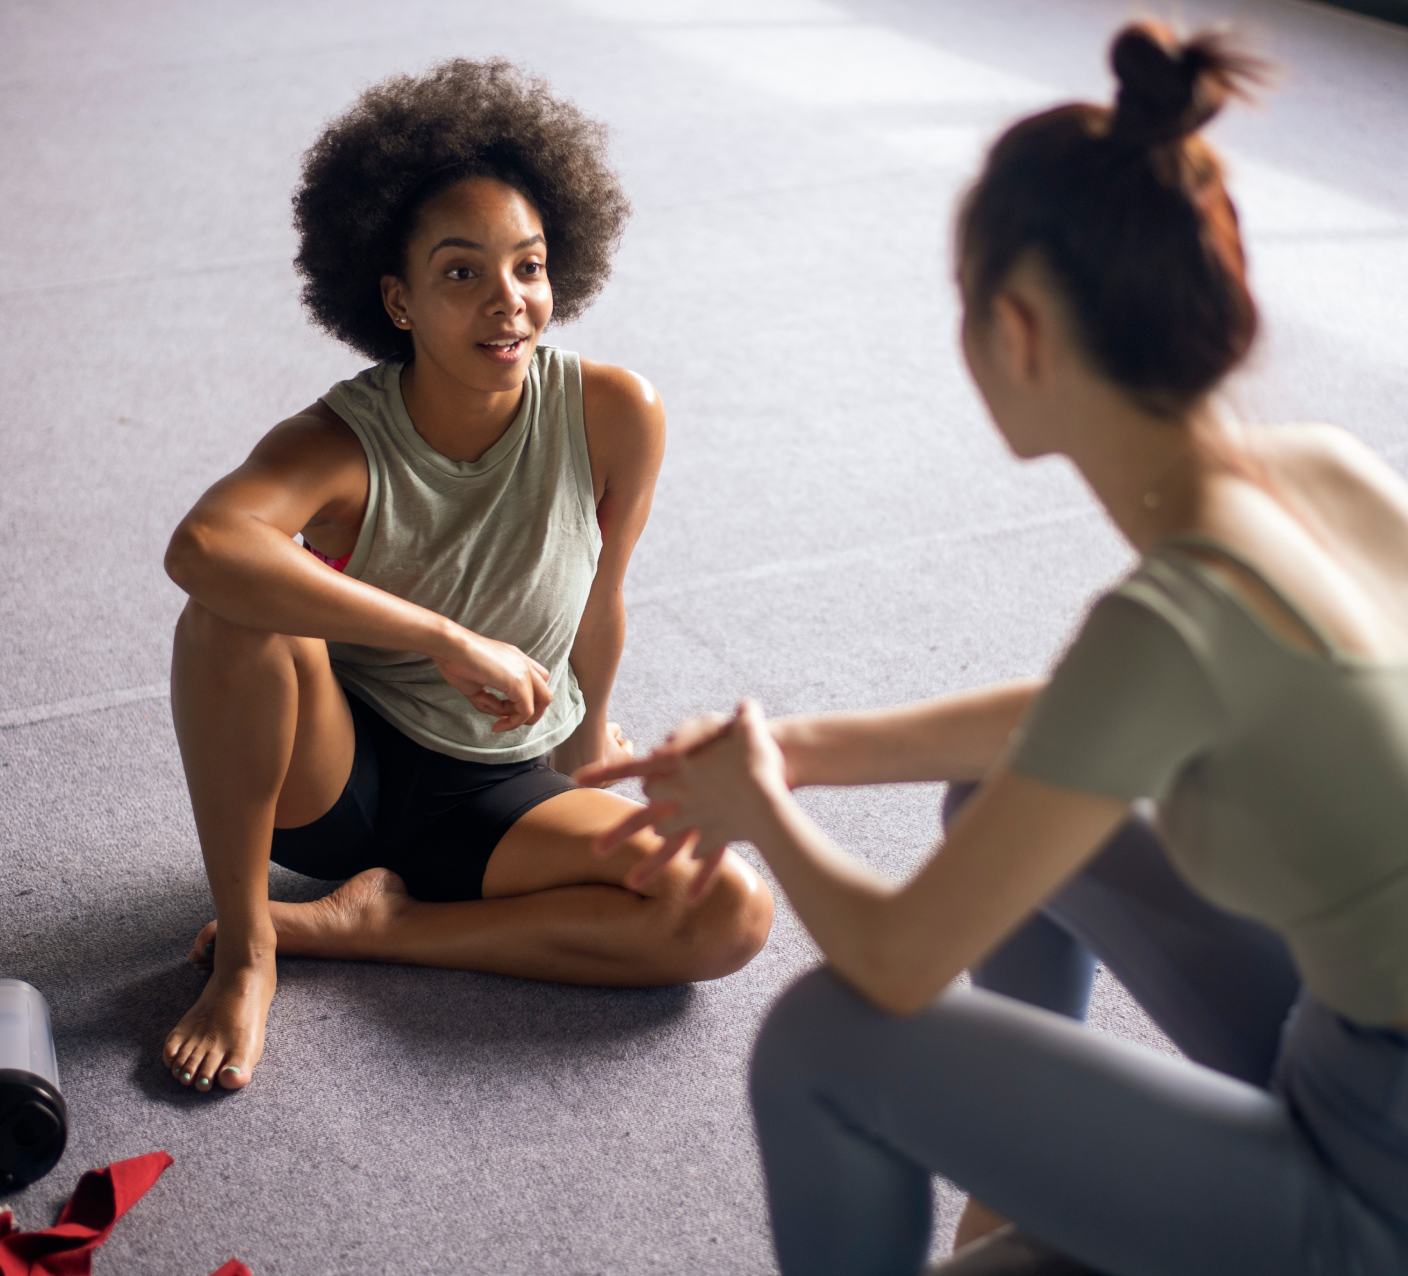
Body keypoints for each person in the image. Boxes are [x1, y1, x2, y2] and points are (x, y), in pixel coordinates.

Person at [581, 22, 1408, 1276]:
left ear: (1016, 331)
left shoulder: (1171, 617)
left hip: (1377, 1182)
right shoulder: (1319, 475)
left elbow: (900, 959)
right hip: (1344, 1033)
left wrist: (760, 812)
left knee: (826, 1040)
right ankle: (1027, 1205)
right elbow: (1091, 718)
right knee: (991, 809)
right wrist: (798, 752)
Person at [160, 59, 774, 1095]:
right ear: (395, 297)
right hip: (336, 777)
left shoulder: (615, 411)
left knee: (727, 911)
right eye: (461, 273)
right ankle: (249, 950)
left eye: (528, 267)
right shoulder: (339, 440)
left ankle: (380, 929)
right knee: (229, 611)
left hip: (500, 789)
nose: (510, 304)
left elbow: (600, 592)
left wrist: (585, 743)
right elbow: (203, 547)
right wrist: (441, 637)